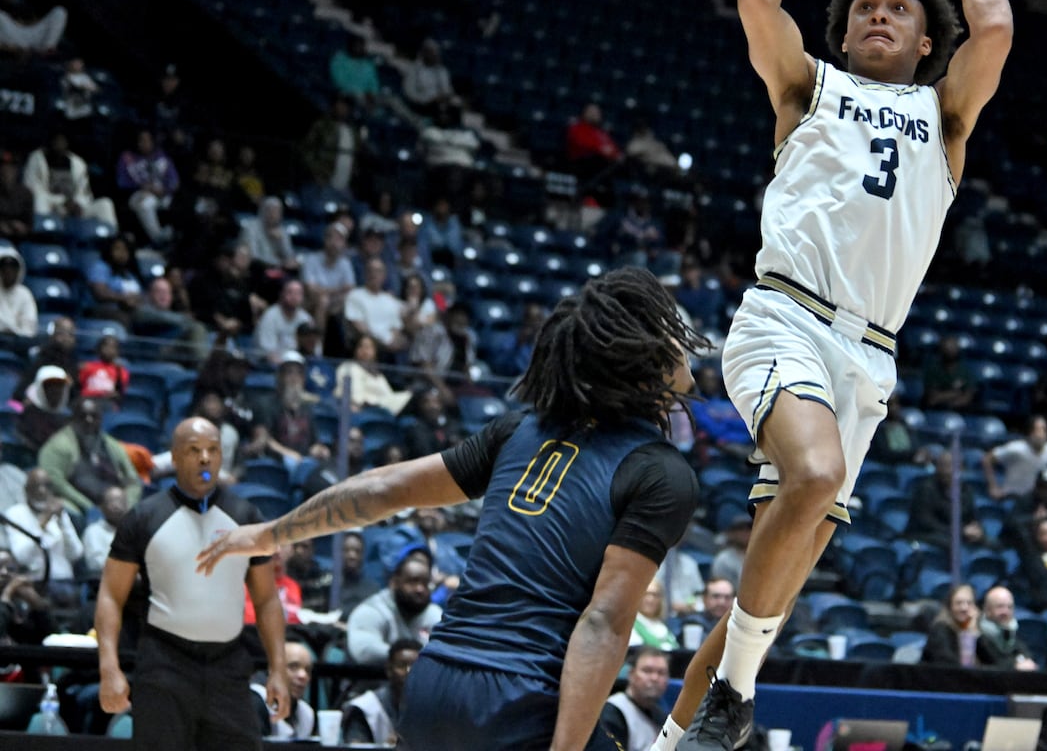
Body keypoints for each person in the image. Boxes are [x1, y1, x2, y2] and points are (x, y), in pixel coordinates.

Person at [658, 0, 1012, 751]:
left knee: (783, 569)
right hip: (785, 315)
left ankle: (682, 732)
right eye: (866, 6)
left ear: (928, 41)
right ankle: (732, 698)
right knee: (811, 477)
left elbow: (999, 27)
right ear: (844, 31)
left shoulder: (945, 117)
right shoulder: (807, 87)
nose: (881, 15)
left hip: (872, 357)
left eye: (899, 6)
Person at [194, 266, 705, 751]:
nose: (684, 341)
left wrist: (272, 533)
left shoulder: (518, 430)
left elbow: (383, 488)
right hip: (525, 697)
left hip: (433, 684)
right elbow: (603, 622)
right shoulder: (661, 472)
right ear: (644, 362)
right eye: (671, 332)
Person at [95, 417, 290, 750]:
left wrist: (279, 669)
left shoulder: (246, 518)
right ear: (173, 457)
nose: (205, 459)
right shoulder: (144, 517)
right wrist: (108, 667)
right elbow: (111, 595)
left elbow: (267, 601)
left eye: (213, 450)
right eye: (194, 450)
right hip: (164, 665)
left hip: (228, 667)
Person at [38, 396, 143, 516]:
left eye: (94, 416)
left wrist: (126, 505)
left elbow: (133, 481)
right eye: (83, 416)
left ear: (101, 419)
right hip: (80, 508)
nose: (89, 420)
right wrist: (90, 507)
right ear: (73, 419)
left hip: (117, 509)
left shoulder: (111, 445)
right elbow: (56, 482)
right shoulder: (58, 446)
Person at [5, 468, 84, 608]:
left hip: (67, 582)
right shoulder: (15, 514)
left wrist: (63, 523)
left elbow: (76, 554)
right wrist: (42, 524)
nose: (42, 491)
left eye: (46, 486)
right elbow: (21, 556)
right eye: (36, 486)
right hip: (37, 583)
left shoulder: (59, 513)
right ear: (26, 490)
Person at [342, 637, 422, 746]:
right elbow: (355, 745)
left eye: (416, 666)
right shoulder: (364, 708)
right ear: (389, 669)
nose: (409, 672)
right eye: (401, 666)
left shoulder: (434, 708)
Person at [905, 448, 984, 551]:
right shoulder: (926, 488)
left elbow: (973, 517)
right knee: (950, 544)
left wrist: (978, 531)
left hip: (953, 533)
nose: (949, 470)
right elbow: (925, 522)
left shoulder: (966, 490)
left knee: (990, 544)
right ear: (937, 467)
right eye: (945, 465)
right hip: (924, 533)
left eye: (955, 467)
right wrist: (960, 531)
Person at [602, 646, 673, 751]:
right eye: (647, 671)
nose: (655, 678)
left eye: (661, 673)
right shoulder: (611, 712)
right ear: (631, 674)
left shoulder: (660, 714)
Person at [983, 415, 1047, 501]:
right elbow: (987, 459)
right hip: (1011, 497)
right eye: (1037, 430)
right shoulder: (1016, 448)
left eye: (1044, 430)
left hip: (1034, 500)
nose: (1040, 435)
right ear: (1030, 433)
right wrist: (993, 487)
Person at [251, 639, 315, 740]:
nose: (303, 675)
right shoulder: (255, 701)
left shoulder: (306, 714)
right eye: (293, 667)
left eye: (308, 670)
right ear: (273, 669)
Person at [921, 583, 997, 667]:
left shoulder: (978, 629)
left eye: (969, 603)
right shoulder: (940, 629)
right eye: (958, 603)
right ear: (950, 607)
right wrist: (967, 637)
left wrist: (975, 633)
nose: (964, 608)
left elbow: (994, 663)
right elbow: (949, 666)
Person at [979, 586, 1038, 670]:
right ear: (987, 610)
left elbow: (1026, 655)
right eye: (1000, 607)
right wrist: (1015, 666)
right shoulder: (978, 635)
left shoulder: (1011, 631)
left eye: (1009, 607)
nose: (1005, 612)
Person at [81, 485, 129, 574]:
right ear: (102, 507)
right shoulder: (93, 531)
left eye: (121, 501)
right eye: (112, 502)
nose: (117, 506)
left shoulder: (134, 531)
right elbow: (95, 564)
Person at [631, 578, 680, 651]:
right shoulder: (630, 625)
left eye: (655, 595)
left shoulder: (662, 626)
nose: (650, 599)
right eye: (646, 594)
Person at [0, 245, 36, 340]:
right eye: (4, 267)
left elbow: (29, 330)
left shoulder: (25, 294)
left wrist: (13, 331)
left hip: (17, 343)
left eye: (13, 267)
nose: (8, 271)